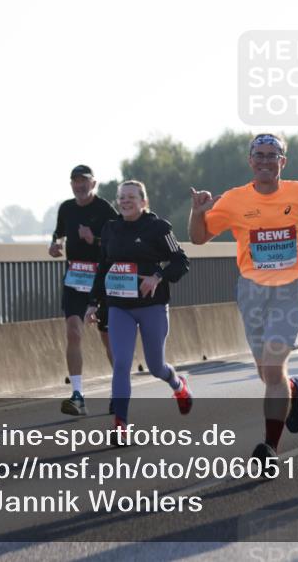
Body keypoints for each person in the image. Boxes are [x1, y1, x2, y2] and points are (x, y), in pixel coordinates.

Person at [188, 134, 298, 462]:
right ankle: (292, 390)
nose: (264, 160)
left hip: (291, 289)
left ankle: (270, 448)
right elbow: (198, 237)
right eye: (258, 155)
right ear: (250, 161)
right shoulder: (233, 200)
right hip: (252, 291)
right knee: (266, 372)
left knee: (273, 370)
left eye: (272, 155)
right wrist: (197, 212)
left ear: (282, 161)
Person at [86, 181, 192, 438]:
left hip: (151, 305)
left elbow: (181, 261)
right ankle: (120, 425)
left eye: (131, 197)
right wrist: (92, 302)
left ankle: (177, 384)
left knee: (156, 367)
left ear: (144, 202)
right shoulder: (110, 229)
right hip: (119, 306)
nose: (125, 201)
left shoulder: (158, 227)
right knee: (121, 363)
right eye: (121, 197)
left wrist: (157, 276)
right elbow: (103, 268)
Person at [49, 165, 118, 416]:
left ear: (93, 184)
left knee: (108, 337)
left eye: (84, 181)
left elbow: (118, 240)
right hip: (74, 279)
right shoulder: (66, 208)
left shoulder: (104, 209)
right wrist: (55, 244)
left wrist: (95, 240)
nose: (79, 185)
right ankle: (77, 395)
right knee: (73, 333)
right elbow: (58, 233)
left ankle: (119, 390)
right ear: (71, 185)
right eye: (75, 181)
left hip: (102, 280)